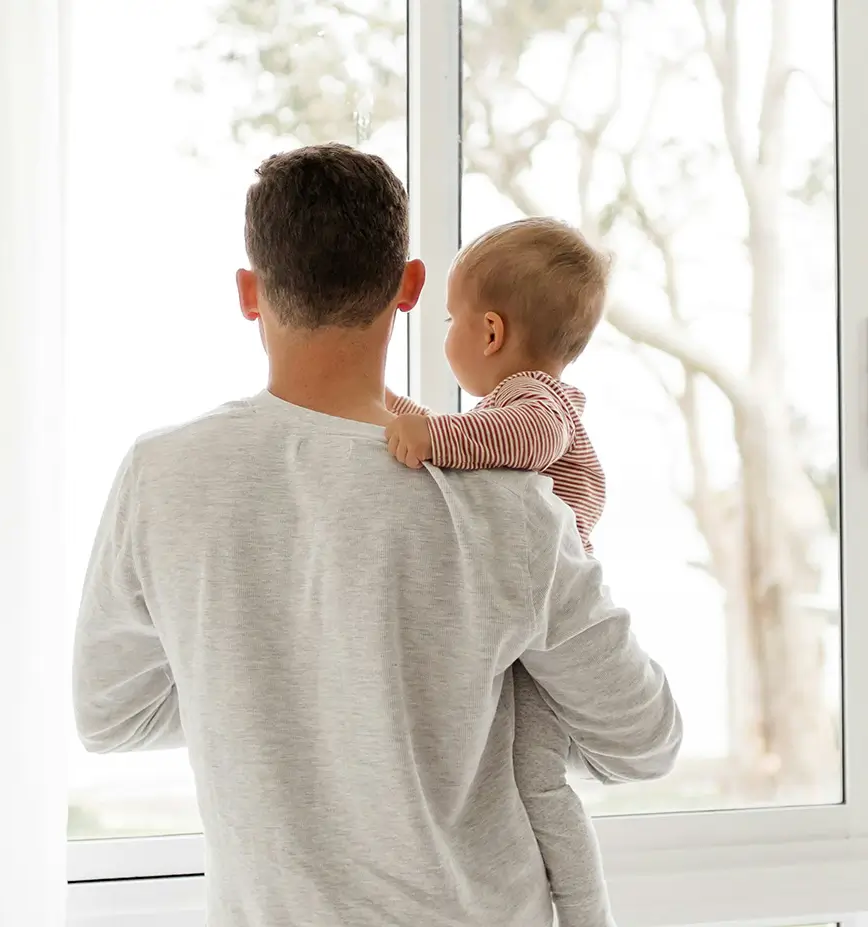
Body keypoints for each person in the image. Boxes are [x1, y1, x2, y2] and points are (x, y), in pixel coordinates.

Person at [72, 143, 682, 927]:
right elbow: (645, 739)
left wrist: (272, 695)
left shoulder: (160, 476)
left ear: (249, 294)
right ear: (410, 287)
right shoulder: (510, 505)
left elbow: (110, 715)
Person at [383, 216, 616, 927]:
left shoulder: (536, 406)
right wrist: (385, 407)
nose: (445, 332)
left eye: (451, 318)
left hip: (548, 629)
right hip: (521, 627)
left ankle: (586, 913)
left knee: (539, 783)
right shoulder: (508, 407)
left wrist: (429, 434)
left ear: (488, 333)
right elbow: (466, 436)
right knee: (512, 772)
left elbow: (514, 440)